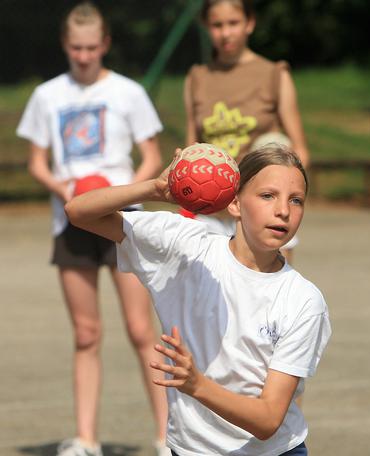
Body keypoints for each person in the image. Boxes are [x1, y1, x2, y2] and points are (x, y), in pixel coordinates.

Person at [64, 145, 332, 456]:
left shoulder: (303, 300)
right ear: (234, 203)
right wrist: (155, 189)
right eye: (267, 196)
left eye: (296, 200)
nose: (283, 210)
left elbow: (269, 419)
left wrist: (197, 385)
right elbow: (78, 212)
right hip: (189, 449)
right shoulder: (185, 247)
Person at [15, 3, 169, 456]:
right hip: (71, 219)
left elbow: (153, 157)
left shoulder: (129, 92)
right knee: (86, 334)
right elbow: (37, 163)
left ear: (104, 44)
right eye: (75, 47)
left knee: (142, 330)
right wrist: (66, 187)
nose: (83, 55)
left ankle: (166, 437)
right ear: (65, 45)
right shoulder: (47, 96)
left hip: (123, 220)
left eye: (91, 47)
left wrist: (120, 190)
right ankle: (86, 440)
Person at [183, 0, 310, 261]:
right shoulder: (196, 77)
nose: (226, 32)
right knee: (211, 299)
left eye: (233, 23)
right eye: (217, 25)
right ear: (207, 27)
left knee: (269, 296)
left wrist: (285, 199)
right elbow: (190, 152)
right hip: (212, 213)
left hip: (263, 208)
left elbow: (300, 151)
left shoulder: (274, 74)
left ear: (249, 23)